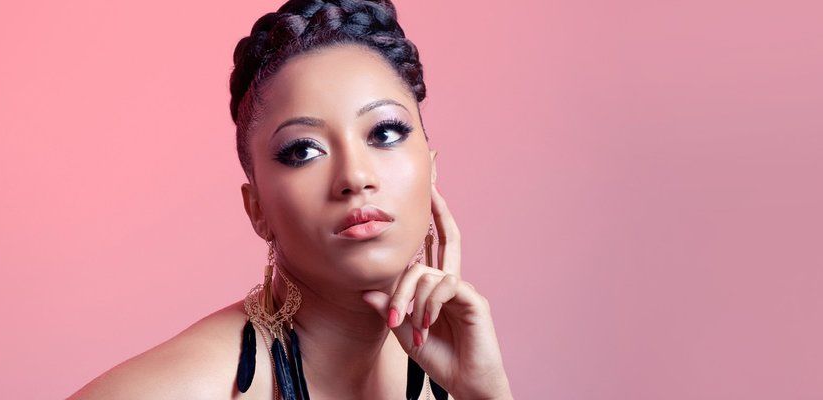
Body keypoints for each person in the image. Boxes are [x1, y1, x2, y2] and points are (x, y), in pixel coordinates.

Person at [73, 1, 513, 398]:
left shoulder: (449, 372)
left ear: (432, 169)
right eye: (303, 151)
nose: (355, 177)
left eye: (384, 133)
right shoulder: (172, 391)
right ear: (257, 209)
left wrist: (485, 394)